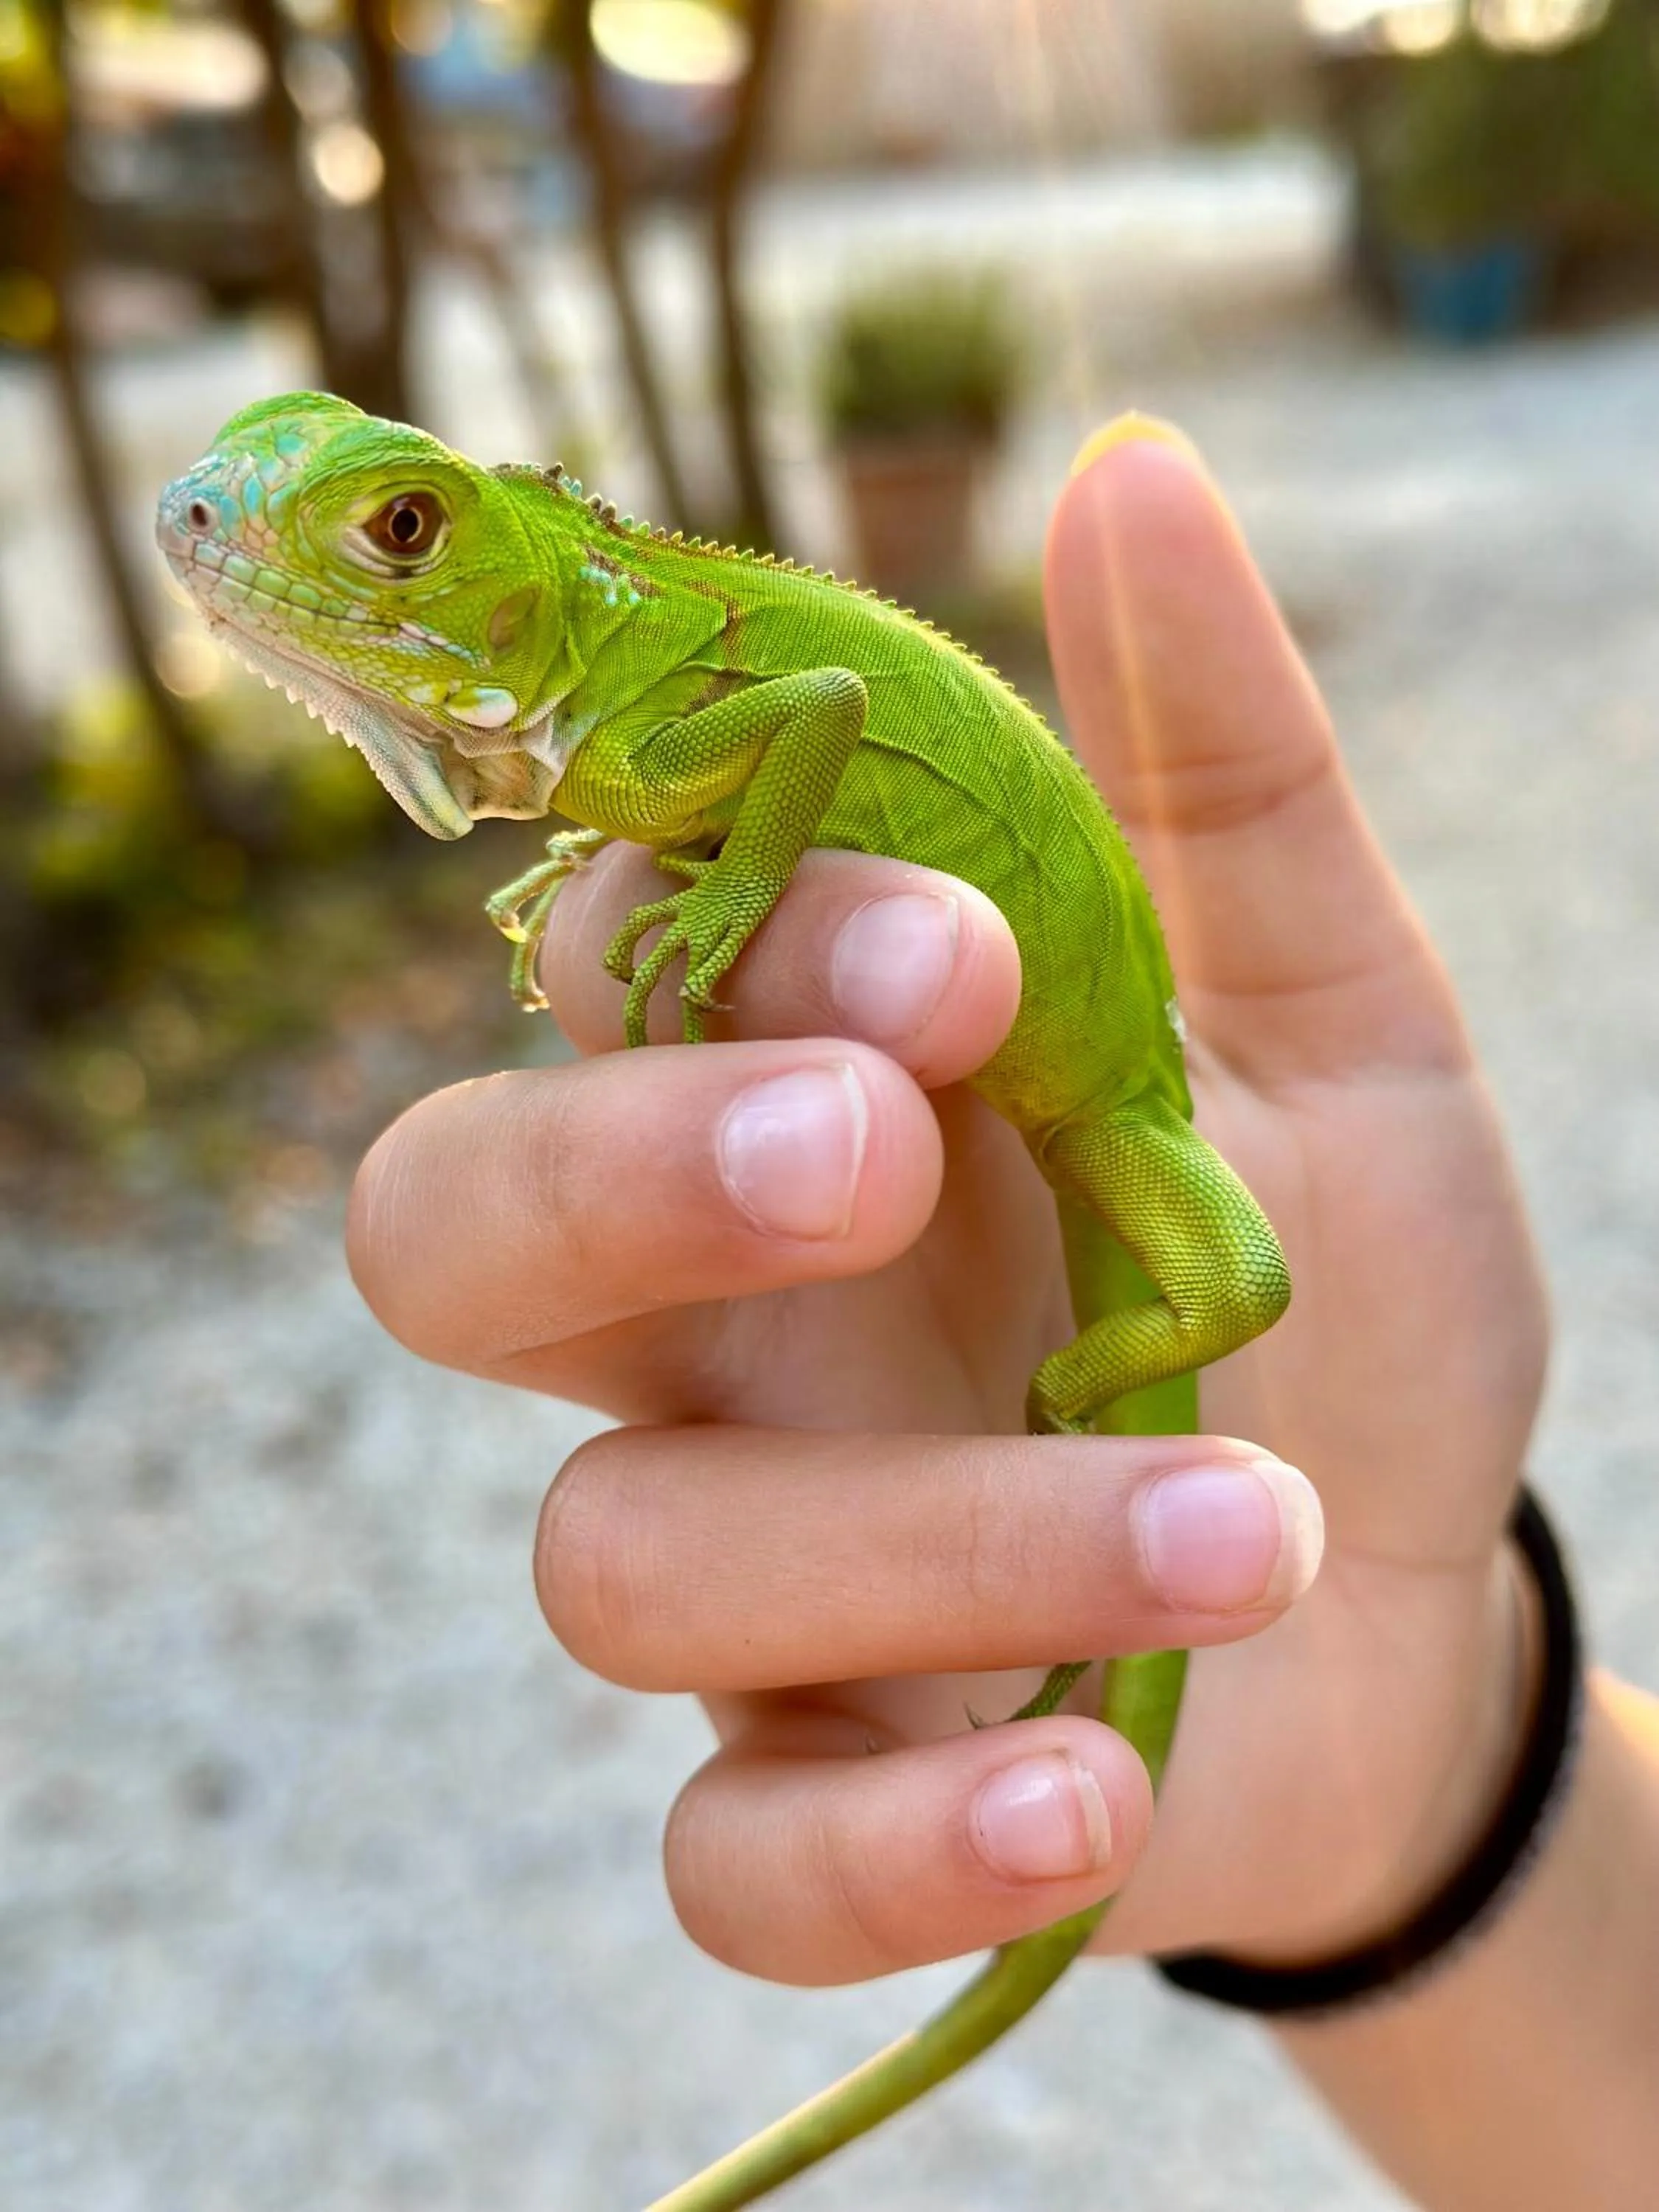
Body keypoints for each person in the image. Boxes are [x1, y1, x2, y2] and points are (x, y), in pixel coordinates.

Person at [345, 421, 1659, 2209]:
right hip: (1474, 1821)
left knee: (1240, 1283)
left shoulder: (662, 710)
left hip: (1111, 1088)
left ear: (503, 568)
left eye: (399, 534)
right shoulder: (622, 732)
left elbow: (809, 712)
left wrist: (1074, 1386)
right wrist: (1441, 1803)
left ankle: (1095, 1390)